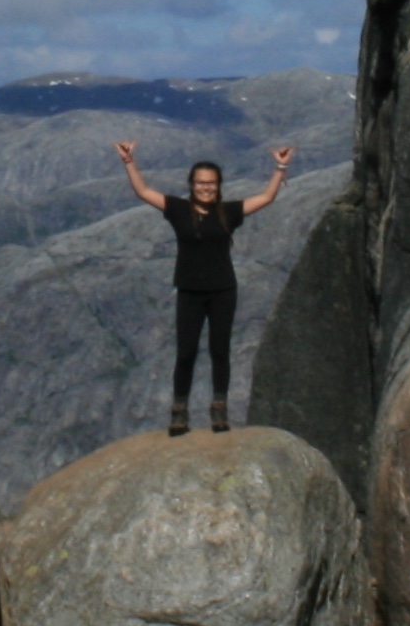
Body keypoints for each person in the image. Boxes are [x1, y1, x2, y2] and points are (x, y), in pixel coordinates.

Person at [117, 140, 291, 436]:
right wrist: (129, 161)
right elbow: (143, 192)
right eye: (200, 183)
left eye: (210, 184)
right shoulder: (178, 209)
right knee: (185, 353)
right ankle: (179, 412)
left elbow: (266, 197)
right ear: (192, 184)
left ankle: (219, 411)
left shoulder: (229, 212)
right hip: (189, 291)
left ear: (219, 185)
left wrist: (280, 166)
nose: (205, 188)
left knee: (219, 351)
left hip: (223, 290)